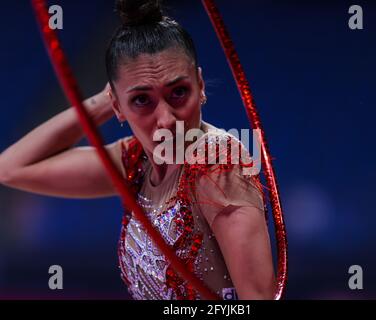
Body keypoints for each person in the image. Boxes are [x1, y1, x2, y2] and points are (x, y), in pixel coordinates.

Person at [0, 0, 275, 300]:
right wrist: (103, 101)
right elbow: (11, 168)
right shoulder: (135, 161)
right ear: (117, 105)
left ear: (200, 84)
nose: (167, 120)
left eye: (179, 92)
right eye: (142, 100)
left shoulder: (220, 164)